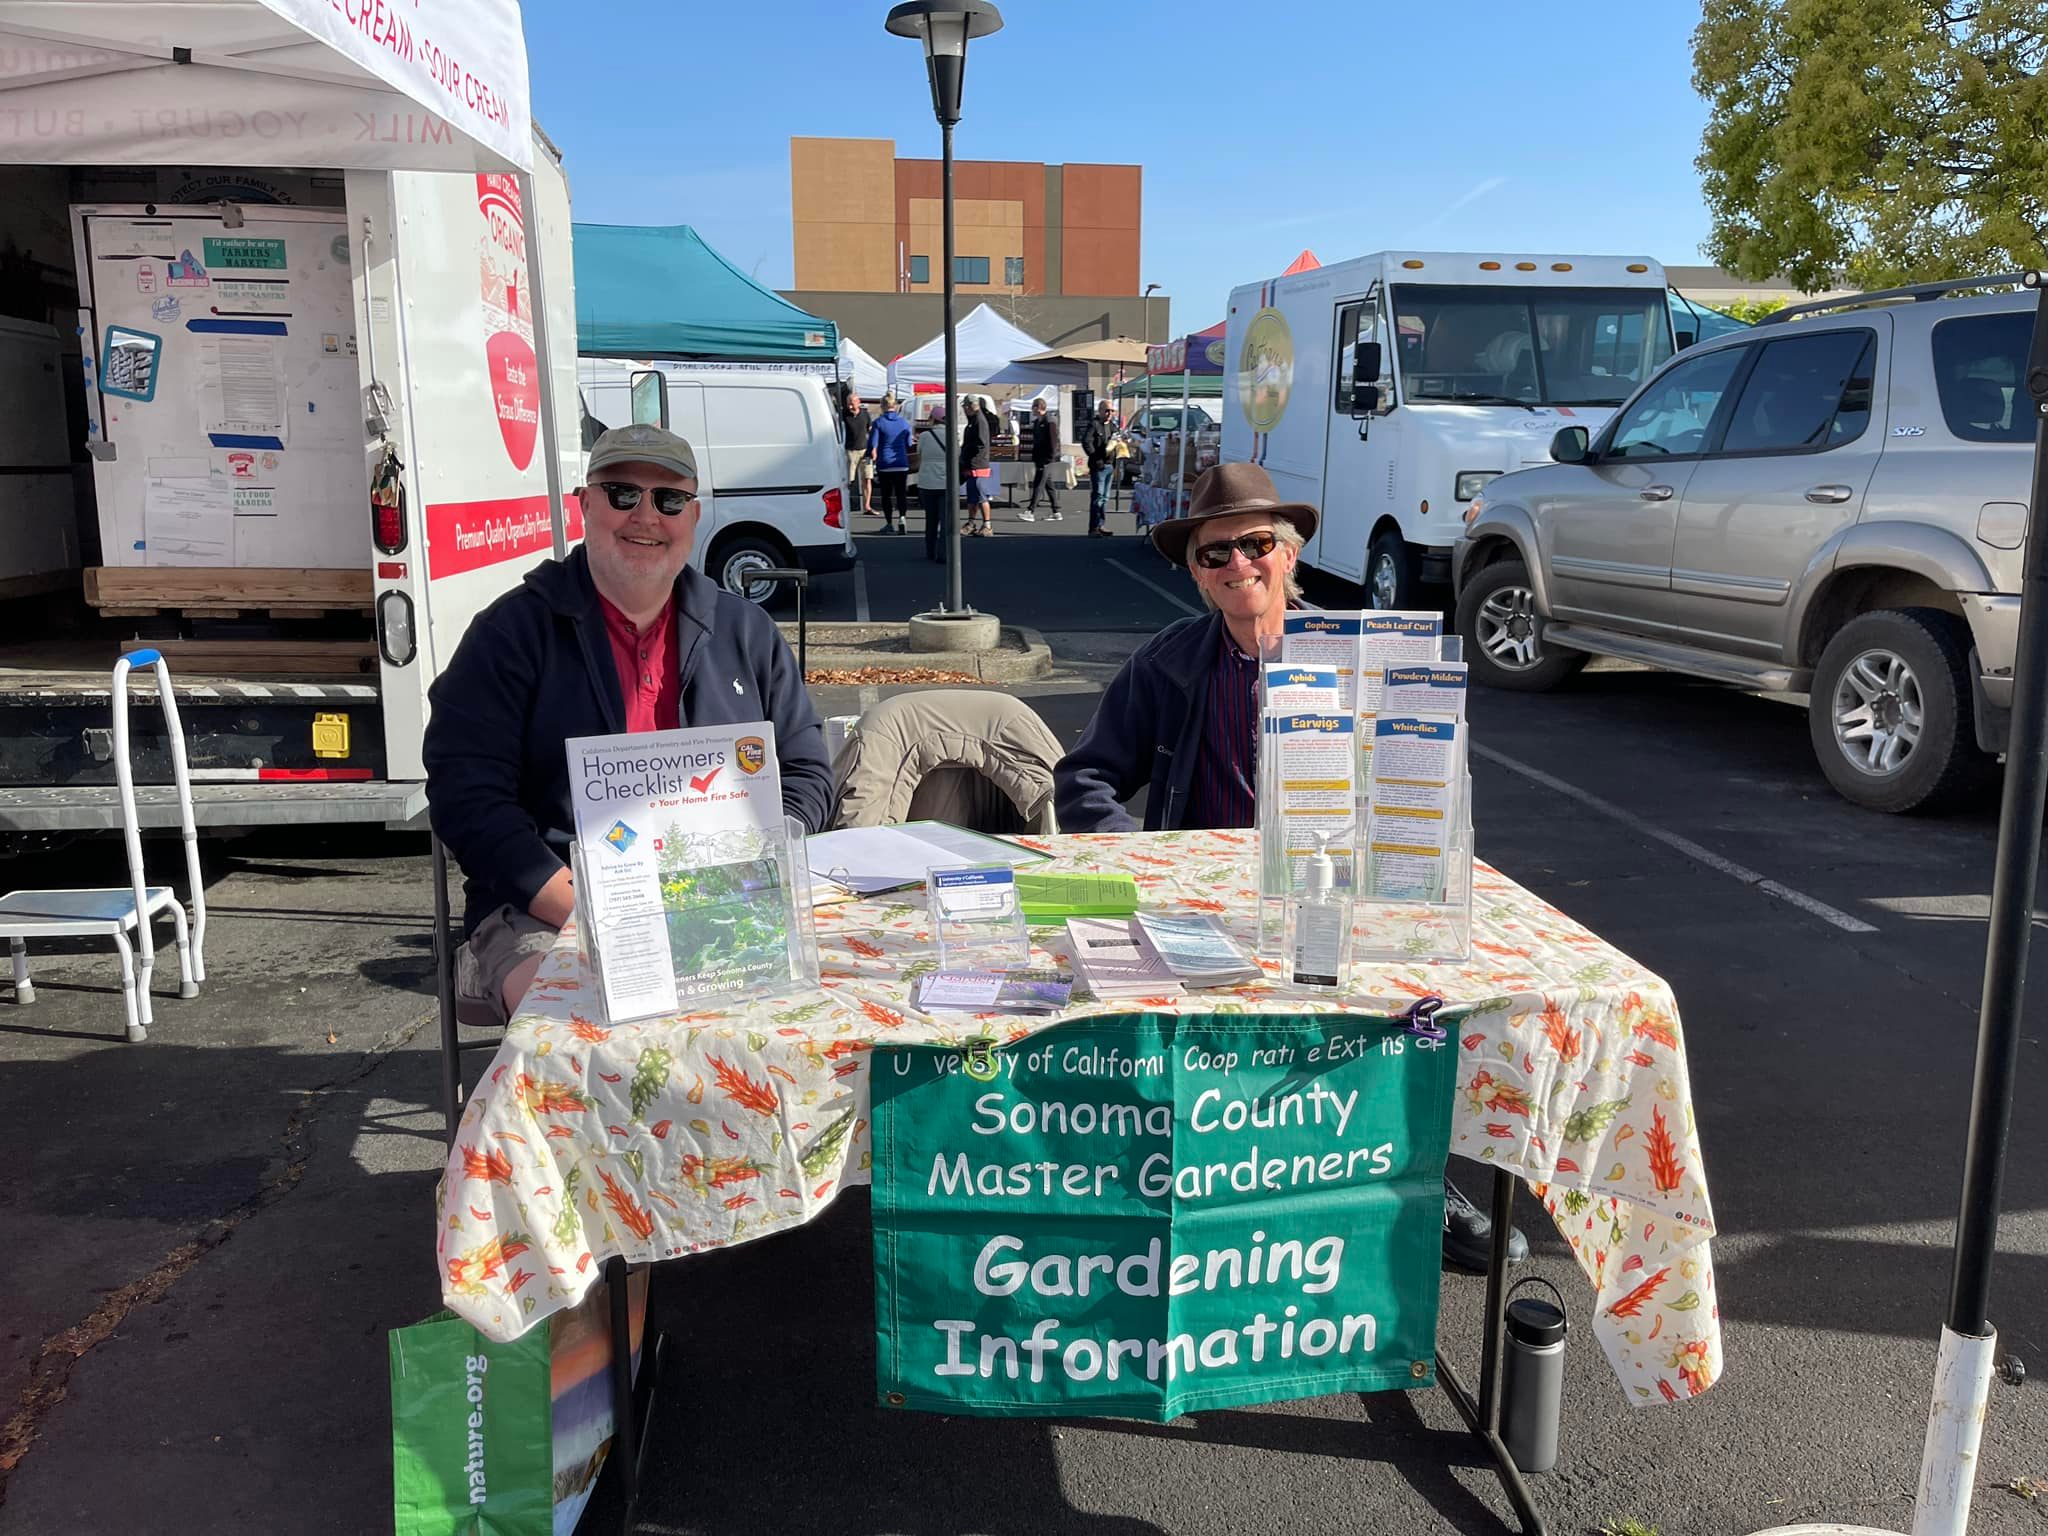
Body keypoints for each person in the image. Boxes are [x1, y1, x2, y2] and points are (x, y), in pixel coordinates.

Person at [1053, 460, 1526, 1271]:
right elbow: (1085, 777)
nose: (1238, 565)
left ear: (1291, 552)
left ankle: (1412, 1171)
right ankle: (1213, 1180)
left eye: (1255, 544)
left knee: (1398, 1006)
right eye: (1214, 554)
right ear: (1197, 574)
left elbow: (1422, 772)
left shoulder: (1365, 652)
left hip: (1340, 891)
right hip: (1210, 908)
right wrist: (1152, 865)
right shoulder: (1167, 663)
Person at [424, 422, 835, 1028]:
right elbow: (467, 796)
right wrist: (586, 907)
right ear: (584, 504)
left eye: (668, 500)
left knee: (804, 1020)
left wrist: (759, 868)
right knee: (585, 1030)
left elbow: (805, 772)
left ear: (693, 517)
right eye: (622, 495)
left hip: (727, 898)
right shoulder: (510, 634)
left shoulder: (748, 632)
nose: (646, 516)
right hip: (549, 910)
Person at [915, 404, 954, 565]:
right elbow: (956, 455)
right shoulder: (952, 435)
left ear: (932, 419)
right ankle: (943, 553)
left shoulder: (924, 436)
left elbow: (919, 453)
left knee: (930, 520)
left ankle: (930, 551)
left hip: (927, 483)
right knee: (945, 521)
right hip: (945, 484)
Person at [869, 392, 913, 534]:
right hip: (901, 462)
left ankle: (889, 523)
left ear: (882, 406)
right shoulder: (904, 423)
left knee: (886, 495)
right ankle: (902, 518)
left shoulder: (878, 423)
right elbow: (909, 443)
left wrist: (872, 454)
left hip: (885, 463)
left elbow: (872, 444)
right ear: (895, 405)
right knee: (901, 493)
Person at [1017, 396, 1063, 523]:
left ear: (1038, 408)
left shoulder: (1050, 421)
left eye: (1033, 407)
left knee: (1038, 483)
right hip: (1039, 457)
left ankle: (1030, 511)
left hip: (1046, 458)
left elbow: (1053, 441)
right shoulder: (1038, 422)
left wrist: (1050, 457)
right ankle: (1056, 511)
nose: (1031, 410)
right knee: (1049, 485)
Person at [960, 394, 998, 537]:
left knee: (981, 496)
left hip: (978, 464)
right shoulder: (973, 420)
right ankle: (971, 522)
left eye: (964, 406)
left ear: (970, 406)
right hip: (972, 464)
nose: (963, 409)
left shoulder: (979, 421)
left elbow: (981, 444)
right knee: (972, 496)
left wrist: (969, 454)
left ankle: (987, 525)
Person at [1081, 398, 1118, 538]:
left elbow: (1116, 441)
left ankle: (1101, 524)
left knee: (1105, 498)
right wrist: (1095, 458)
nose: (1109, 413)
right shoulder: (1094, 425)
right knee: (1098, 497)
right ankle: (1093, 527)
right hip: (1099, 466)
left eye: (1111, 411)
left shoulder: (1113, 426)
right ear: (1100, 411)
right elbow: (1086, 442)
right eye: (1106, 410)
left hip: (1110, 465)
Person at [842, 389, 874, 516]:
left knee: (867, 478)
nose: (850, 406)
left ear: (858, 402)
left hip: (864, 450)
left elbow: (871, 431)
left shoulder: (865, 414)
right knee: (848, 480)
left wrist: (873, 448)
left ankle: (867, 505)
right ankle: (846, 505)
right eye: (848, 403)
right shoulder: (844, 414)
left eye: (852, 403)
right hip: (850, 451)